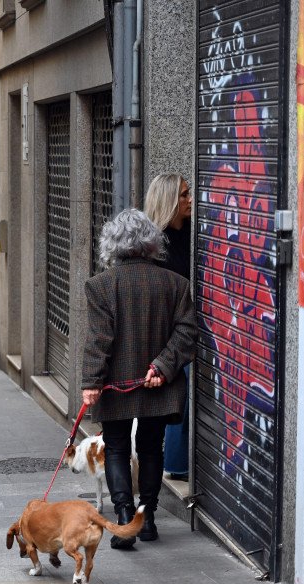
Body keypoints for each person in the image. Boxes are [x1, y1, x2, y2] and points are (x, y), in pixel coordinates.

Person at [81, 209, 197, 547]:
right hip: (158, 383)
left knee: (116, 447)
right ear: (151, 243)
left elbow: (99, 340)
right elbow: (188, 332)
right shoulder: (176, 283)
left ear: (111, 246)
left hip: (117, 384)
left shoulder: (100, 286)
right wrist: (162, 366)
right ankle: (146, 521)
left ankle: (123, 519)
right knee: (150, 447)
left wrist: (91, 382)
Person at [144, 173, 192, 483]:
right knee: (178, 395)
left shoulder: (191, 233)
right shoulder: (153, 247)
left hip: (187, 324)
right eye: (185, 195)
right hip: (165, 332)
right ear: (170, 201)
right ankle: (175, 464)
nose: (190, 200)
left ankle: (179, 462)